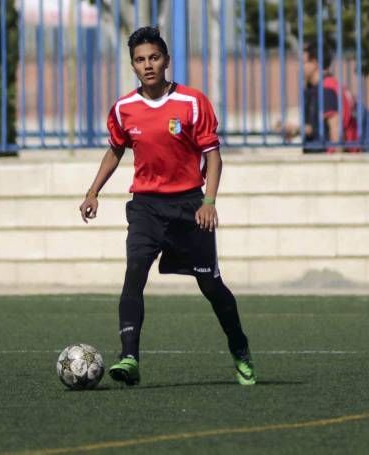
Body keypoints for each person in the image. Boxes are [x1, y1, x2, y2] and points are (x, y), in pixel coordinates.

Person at [78, 26, 256, 386]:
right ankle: (129, 357)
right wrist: (93, 191)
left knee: (212, 287)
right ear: (132, 65)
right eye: (140, 60)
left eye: (154, 58)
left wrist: (209, 201)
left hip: (190, 207)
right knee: (134, 276)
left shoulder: (192, 102)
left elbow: (214, 156)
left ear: (167, 61)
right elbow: (115, 149)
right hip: (146, 207)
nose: (148, 65)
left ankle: (239, 348)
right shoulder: (124, 109)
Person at [279, 41, 360, 152]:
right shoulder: (314, 89)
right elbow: (318, 128)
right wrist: (296, 130)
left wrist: (336, 163)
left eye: (303, 62)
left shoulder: (326, 90)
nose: (299, 67)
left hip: (326, 158)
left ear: (315, 63)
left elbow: (335, 130)